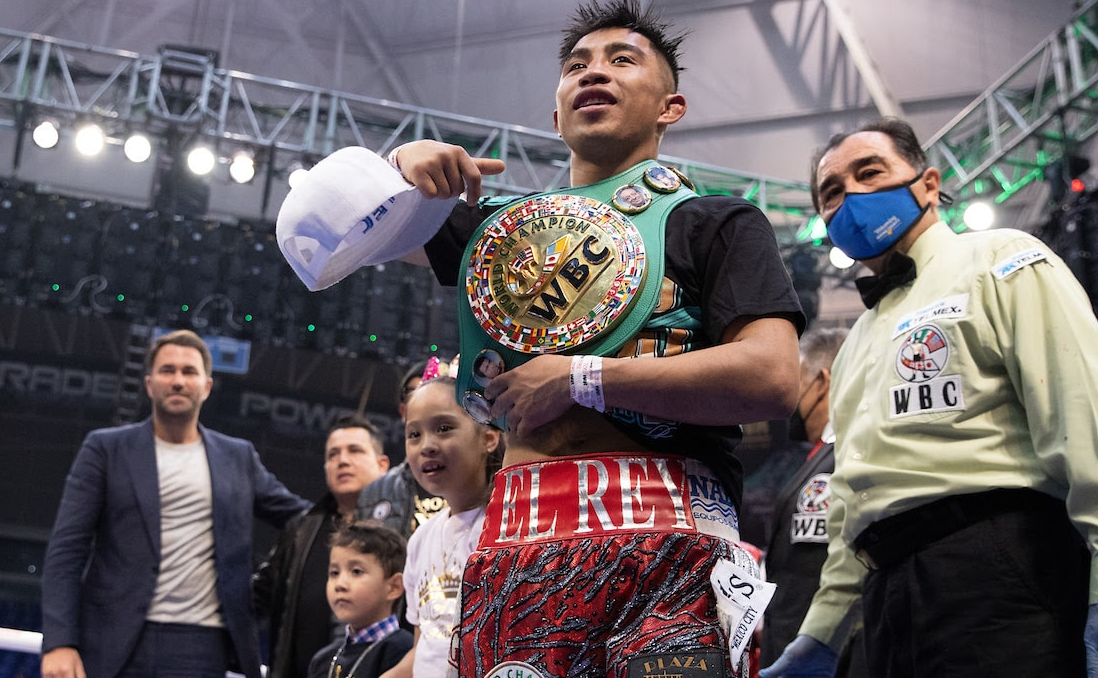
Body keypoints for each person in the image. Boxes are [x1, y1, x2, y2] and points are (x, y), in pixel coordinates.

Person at [277, 1, 804, 674]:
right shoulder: (498, 233)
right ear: (556, 116)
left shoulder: (717, 222)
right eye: (577, 65)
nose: (595, 72)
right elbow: (321, 232)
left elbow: (771, 377)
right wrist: (400, 169)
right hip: (519, 540)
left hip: (670, 534)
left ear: (671, 106)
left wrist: (581, 377)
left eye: (622, 60)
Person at [761, 117, 1098, 678]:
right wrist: (821, 633)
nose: (851, 197)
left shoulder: (1001, 259)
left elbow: (1086, 416)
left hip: (1001, 567)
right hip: (887, 599)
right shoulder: (854, 345)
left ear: (928, 184)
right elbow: (852, 499)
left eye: (870, 173)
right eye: (832, 191)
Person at [40, 329, 310, 678]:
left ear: (207, 386)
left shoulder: (237, 457)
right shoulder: (105, 449)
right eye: (168, 371)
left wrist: (359, 508)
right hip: (114, 637)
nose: (178, 381)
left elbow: (301, 518)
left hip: (203, 642)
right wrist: (59, 641)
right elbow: (66, 550)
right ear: (150, 384)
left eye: (189, 372)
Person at [758, 327, 866, 678]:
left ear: (822, 380)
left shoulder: (846, 458)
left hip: (830, 656)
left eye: (799, 379)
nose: (790, 397)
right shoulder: (819, 458)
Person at [381, 376, 501, 678]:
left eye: (444, 428)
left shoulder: (504, 530)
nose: (427, 446)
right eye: (414, 434)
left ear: (488, 437)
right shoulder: (421, 539)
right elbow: (426, 650)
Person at [256, 415, 390, 678]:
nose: (342, 460)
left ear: (382, 464)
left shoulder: (400, 529)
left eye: (355, 450)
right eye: (333, 454)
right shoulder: (301, 529)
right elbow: (260, 595)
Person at [306, 521, 413, 678]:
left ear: (394, 587)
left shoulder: (403, 652)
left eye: (356, 571)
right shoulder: (323, 660)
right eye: (334, 573)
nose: (340, 584)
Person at [355, 362, 447, 539]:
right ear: (404, 411)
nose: (426, 400)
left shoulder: (484, 482)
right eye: (416, 392)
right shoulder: (375, 492)